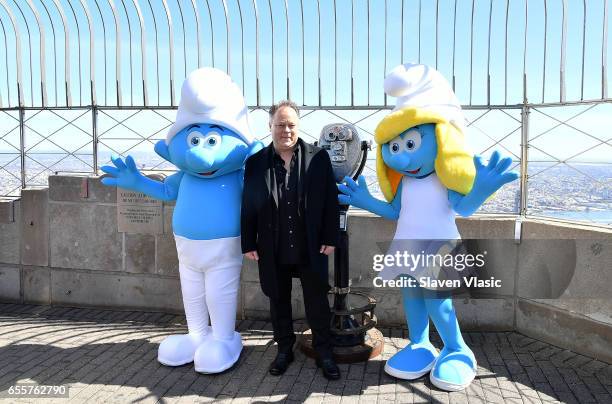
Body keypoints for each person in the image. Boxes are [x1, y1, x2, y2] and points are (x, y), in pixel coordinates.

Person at [241, 100, 341, 380]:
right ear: (270, 127)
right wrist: (248, 242)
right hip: (273, 246)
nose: (286, 130)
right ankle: (284, 350)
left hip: (311, 245)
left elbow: (331, 202)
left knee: (317, 302)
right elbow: (248, 205)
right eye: (280, 124)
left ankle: (324, 353)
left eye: (291, 125)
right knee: (278, 299)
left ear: (298, 126)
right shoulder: (256, 163)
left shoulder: (318, 158)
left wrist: (331, 237)